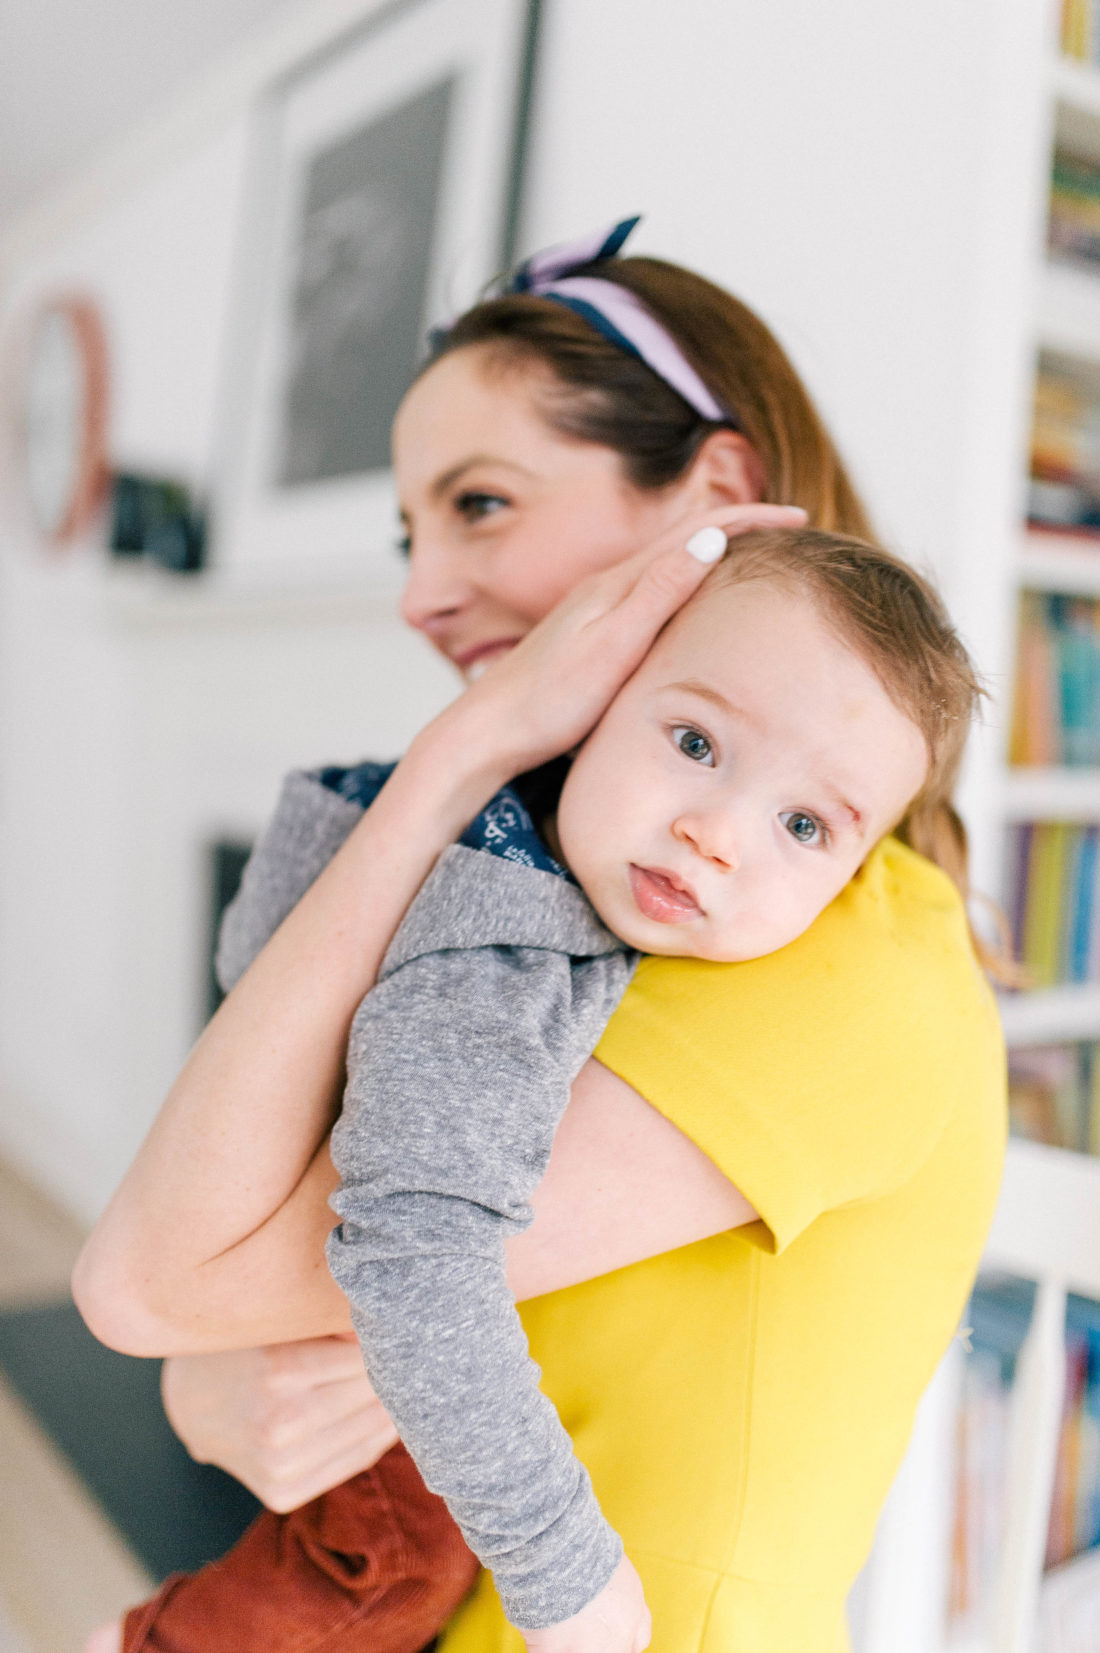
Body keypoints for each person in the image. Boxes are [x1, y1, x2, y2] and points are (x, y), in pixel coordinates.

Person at [75, 222, 1007, 1653]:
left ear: (719, 500)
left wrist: (471, 741)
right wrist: (466, 760)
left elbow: (153, 1274)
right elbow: (212, 1267)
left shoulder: (827, 945)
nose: (419, 590)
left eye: (482, 503)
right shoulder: (560, 887)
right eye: (412, 529)